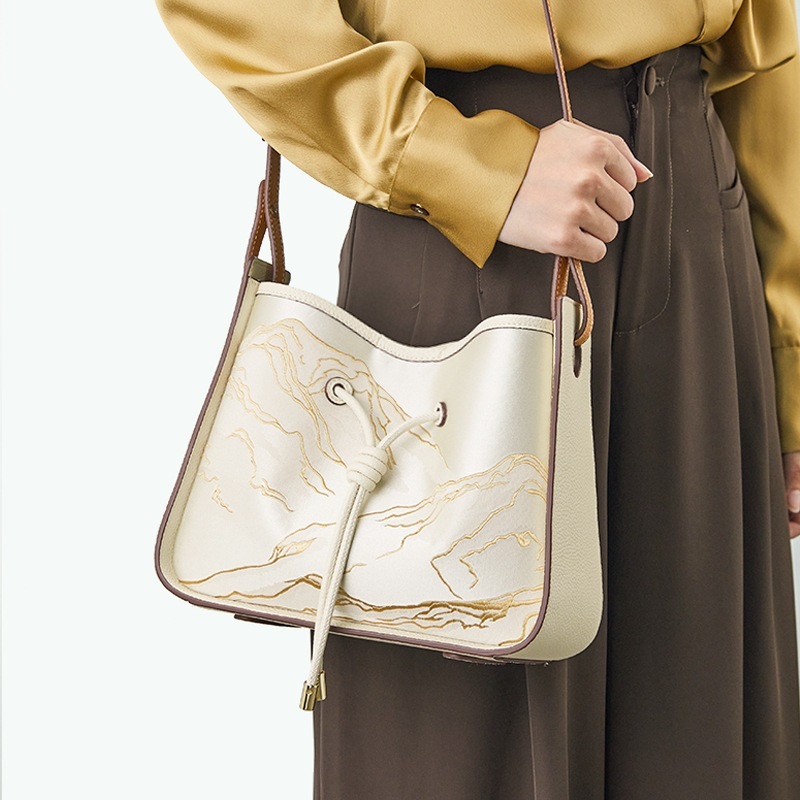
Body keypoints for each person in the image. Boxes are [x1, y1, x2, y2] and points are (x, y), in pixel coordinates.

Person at [153, 0, 800, 796]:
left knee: (695, 737)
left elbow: (767, 51)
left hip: (700, 214)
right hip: (468, 236)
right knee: (458, 746)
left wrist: (790, 358)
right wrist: (456, 160)